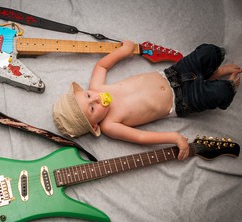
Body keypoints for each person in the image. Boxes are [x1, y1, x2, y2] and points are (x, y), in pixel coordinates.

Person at [53, 40, 241, 160]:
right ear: (95, 127)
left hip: (172, 74)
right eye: (92, 109)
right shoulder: (110, 125)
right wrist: (174, 137)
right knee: (219, 93)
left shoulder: (97, 88)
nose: (95, 98)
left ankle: (212, 72)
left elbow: (101, 66)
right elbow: (142, 138)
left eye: (87, 95)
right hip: (181, 100)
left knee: (208, 52)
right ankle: (221, 83)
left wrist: (124, 51)